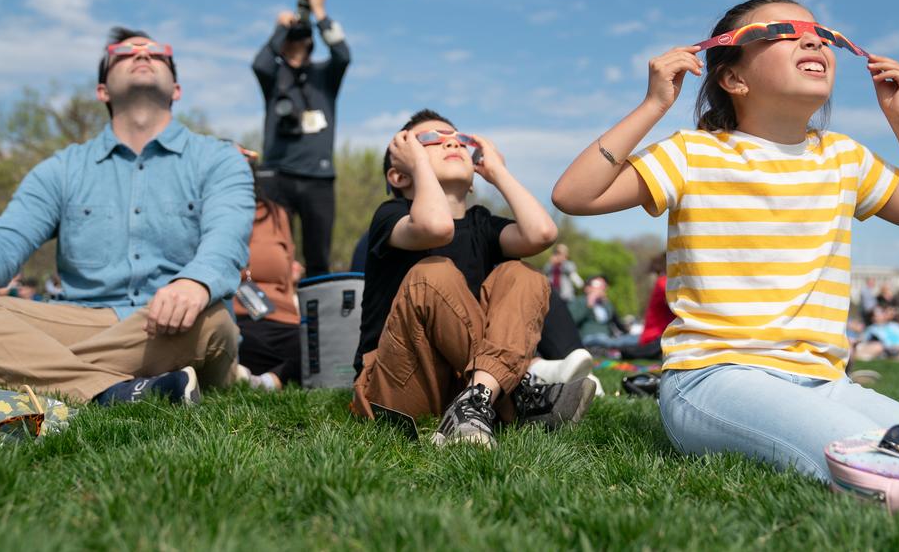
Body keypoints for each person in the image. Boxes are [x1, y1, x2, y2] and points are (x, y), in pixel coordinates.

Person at [551, 0, 899, 482]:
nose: (812, 38)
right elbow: (574, 195)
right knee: (876, 459)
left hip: (826, 382)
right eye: (783, 32)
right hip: (713, 378)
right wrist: (654, 104)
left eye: (821, 34)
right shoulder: (693, 154)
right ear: (733, 78)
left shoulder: (843, 158)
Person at [0, 27, 254, 406]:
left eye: (157, 53)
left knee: (214, 320)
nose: (142, 55)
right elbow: (5, 240)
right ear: (102, 90)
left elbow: (226, 240)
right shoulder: (62, 168)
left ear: (177, 89)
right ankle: (115, 392)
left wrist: (195, 283)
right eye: (124, 53)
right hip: (78, 320)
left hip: (174, 323)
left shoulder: (220, 160)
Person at [352, 109, 595, 448]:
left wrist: (498, 173)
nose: (451, 141)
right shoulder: (392, 216)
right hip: (397, 383)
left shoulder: (482, 224)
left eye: (459, 139)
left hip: (464, 382)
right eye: (428, 140)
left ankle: (477, 400)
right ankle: (521, 390)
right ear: (399, 175)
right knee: (432, 274)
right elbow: (436, 227)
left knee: (522, 275)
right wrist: (419, 166)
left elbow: (541, 233)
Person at [253, 0, 350, 277]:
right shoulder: (275, 76)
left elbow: (342, 54)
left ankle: (317, 314)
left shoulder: (324, 76)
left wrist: (319, 13)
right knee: (272, 249)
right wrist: (279, 29)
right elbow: (260, 64)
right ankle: (280, 310)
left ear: (311, 41)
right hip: (277, 175)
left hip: (317, 178)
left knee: (318, 255)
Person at [235, 148, 303, 390]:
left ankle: (265, 381)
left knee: (312, 345)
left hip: (282, 319)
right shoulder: (202, 215)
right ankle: (268, 377)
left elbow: (286, 274)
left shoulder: (277, 215)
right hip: (234, 318)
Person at [570, 275, 631, 348]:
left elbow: (618, 323)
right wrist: (588, 305)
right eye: (598, 284)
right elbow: (571, 321)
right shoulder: (579, 301)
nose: (602, 288)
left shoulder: (606, 304)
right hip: (589, 338)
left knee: (630, 339)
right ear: (587, 288)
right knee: (601, 339)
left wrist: (628, 331)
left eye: (604, 285)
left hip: (607, 338)